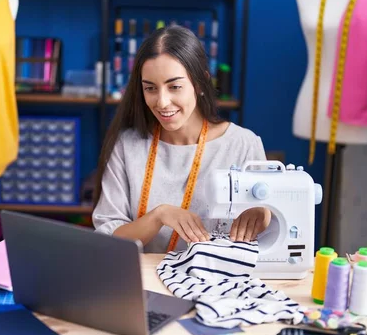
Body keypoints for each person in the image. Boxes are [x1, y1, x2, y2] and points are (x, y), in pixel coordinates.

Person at [92, 25, 271, 253]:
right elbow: (108, 238)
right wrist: (159, 215)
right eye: (150, 88)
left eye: (174, 86)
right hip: (141, 284)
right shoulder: (128, 145)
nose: (162, 102)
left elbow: (268, 225)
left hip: (213, 285)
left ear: (200, 83)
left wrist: (265, 215)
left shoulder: (243, 145)